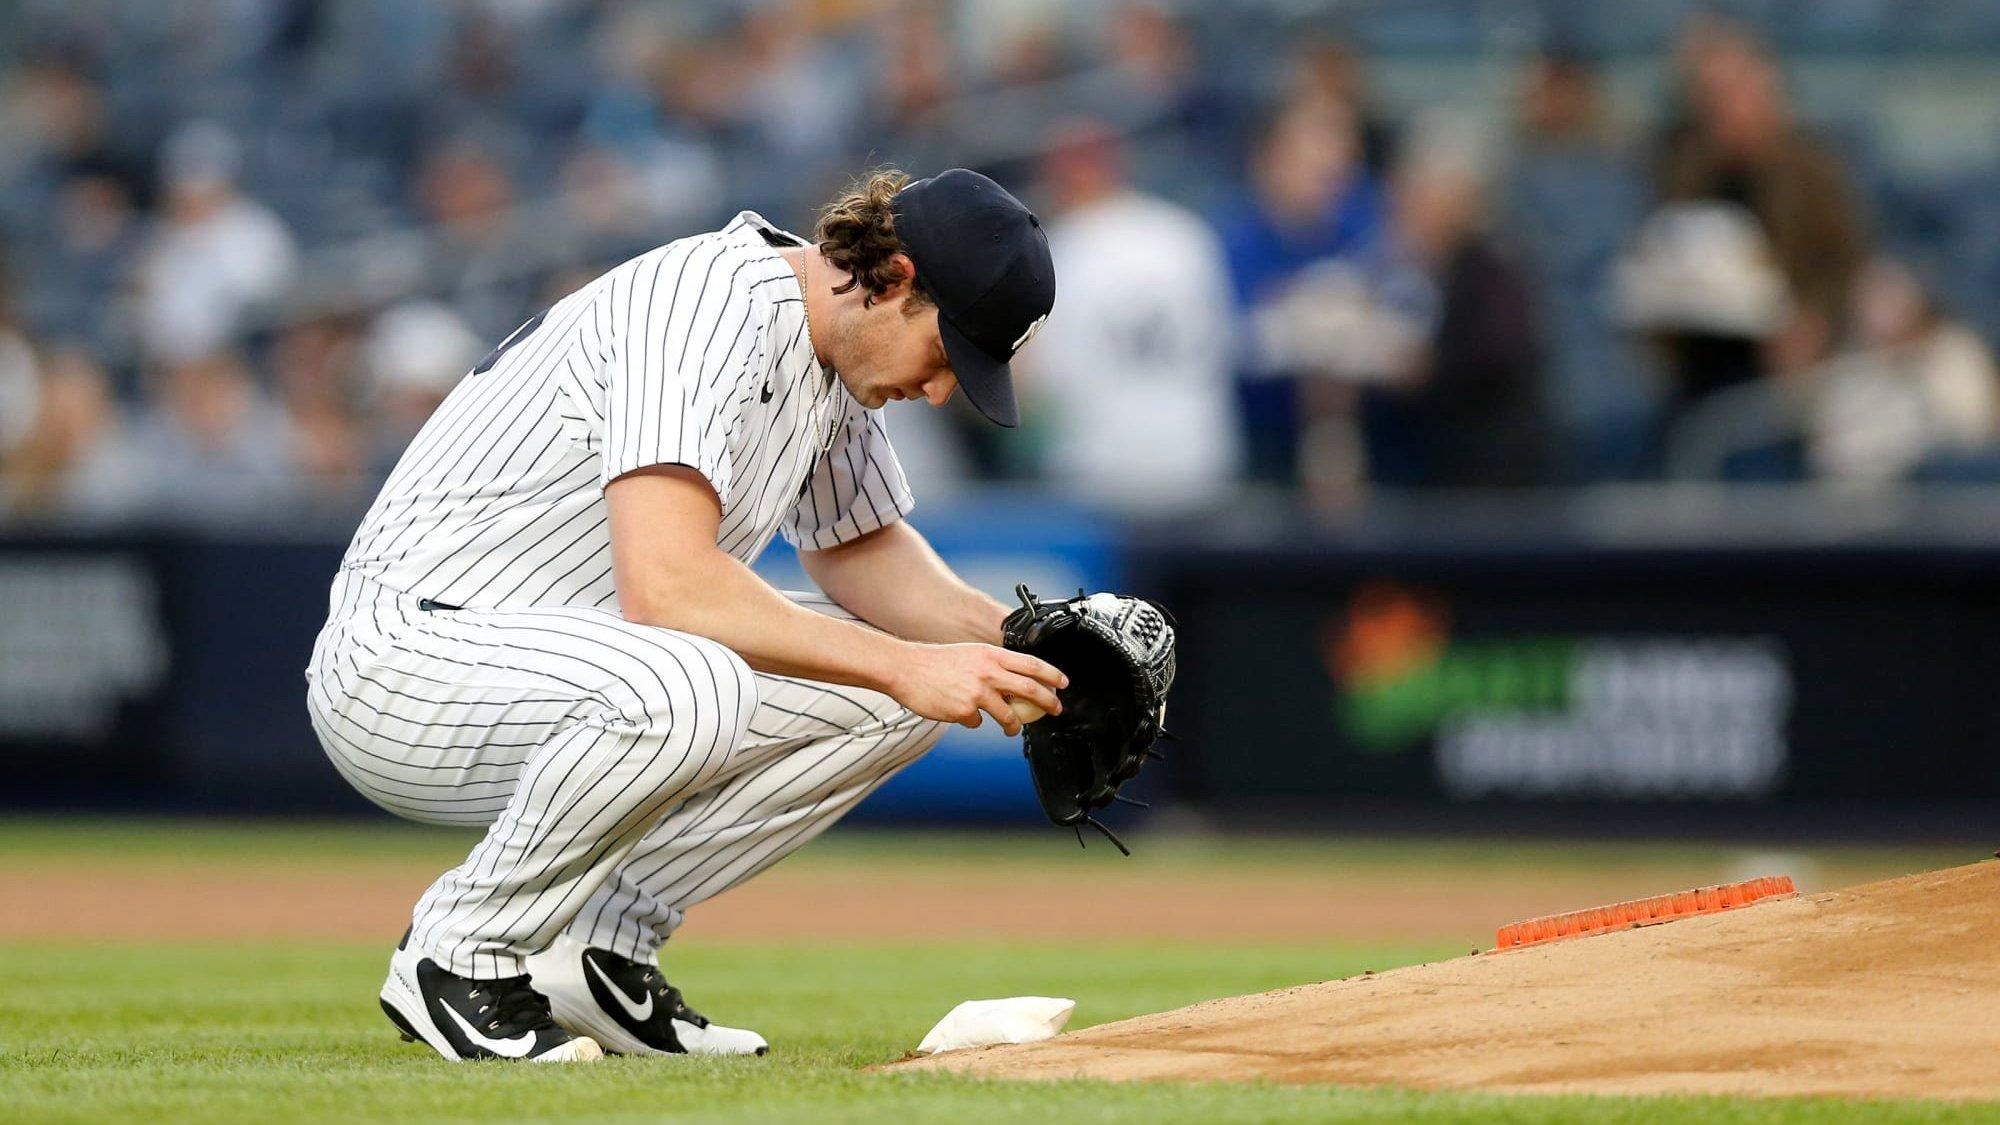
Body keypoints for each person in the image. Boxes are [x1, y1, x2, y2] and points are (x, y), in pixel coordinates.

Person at [304, 168, 1068, 1063]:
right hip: (407, 660)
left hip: (560, 662)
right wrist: (908, 661)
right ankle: (458, 951)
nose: (942, 390)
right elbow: (669, 587)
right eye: (947, 353)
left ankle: (594, 951)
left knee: (892, 695)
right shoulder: (712, 304)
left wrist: (1028, 647)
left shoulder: (831, 349)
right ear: (893, 278)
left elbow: (859, 548)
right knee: (697, 678)